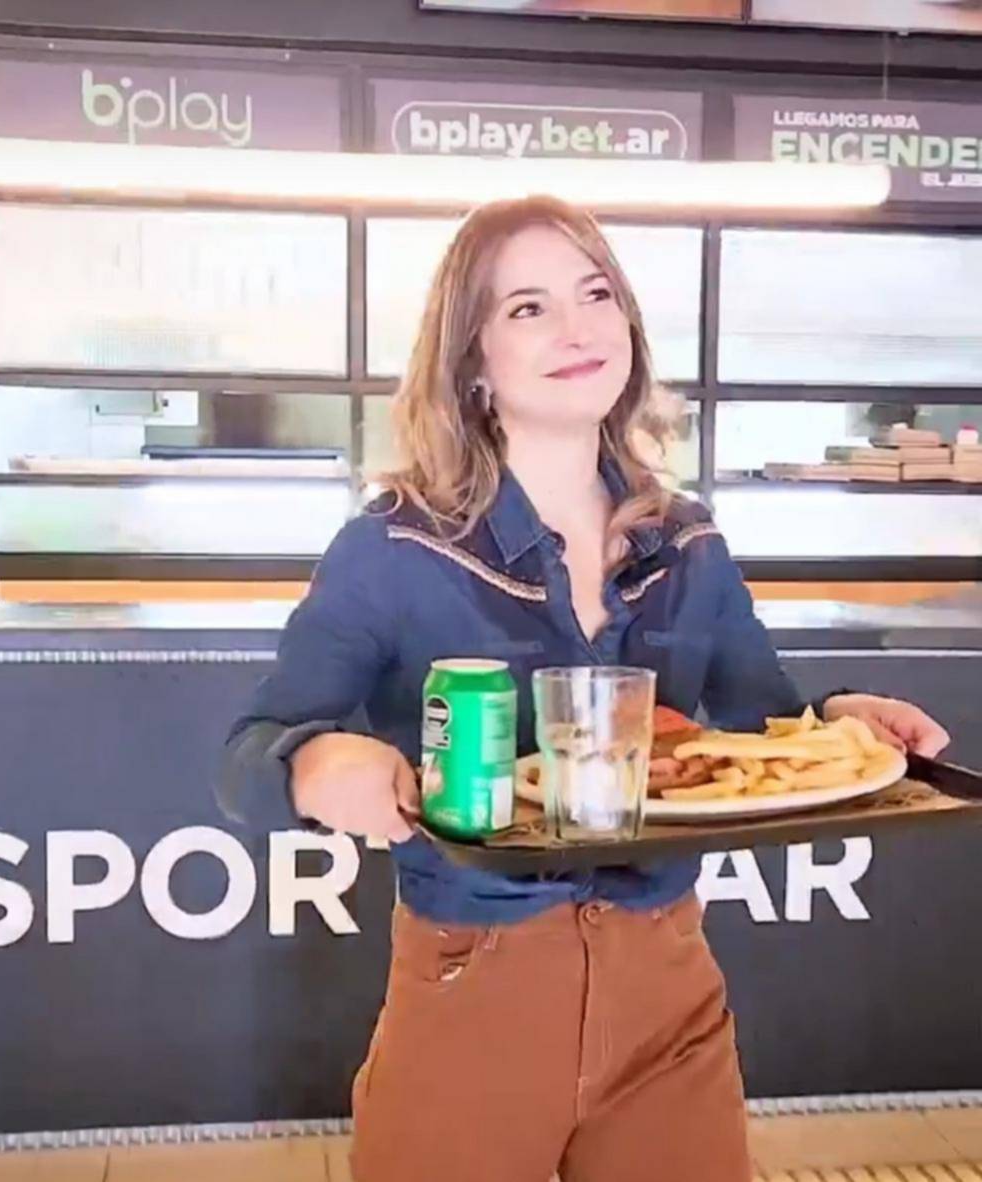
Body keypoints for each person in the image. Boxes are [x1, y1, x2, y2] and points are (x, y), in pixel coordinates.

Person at [220, 195, 949, 1182]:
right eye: (528, 307)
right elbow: (247, 752)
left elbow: (764, 722)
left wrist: (841, 721)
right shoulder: (391, 547)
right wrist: (313, 764)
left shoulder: (686, 541)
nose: (577, 327)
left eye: (595, 294)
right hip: (472, 992)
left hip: (670, 999)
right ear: (471, 360)